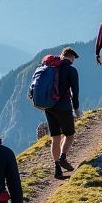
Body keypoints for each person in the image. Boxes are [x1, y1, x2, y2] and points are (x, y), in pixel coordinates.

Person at [43, 47, 81, 179]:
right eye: (73, 59)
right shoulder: (71, 70)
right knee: (70, 134)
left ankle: (57, 168)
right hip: (63, 107)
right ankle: (63, 157)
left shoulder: (50, 68)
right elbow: (75, 92)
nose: (73, 61)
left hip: (48, 107)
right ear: (70, 57)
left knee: (55, 137)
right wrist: (76, 109)